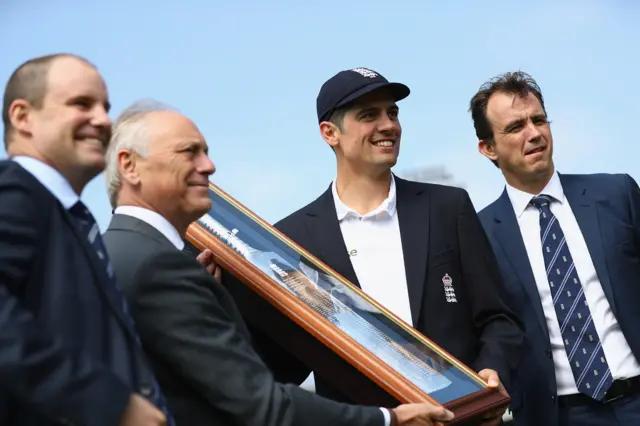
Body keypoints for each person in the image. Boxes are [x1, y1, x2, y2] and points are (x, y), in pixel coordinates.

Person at [101, 99, 455, 426]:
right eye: (189, 153)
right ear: (130, 166)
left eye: (205, 152)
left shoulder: (117, 254)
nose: (208, 166)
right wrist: (389, 420)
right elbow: (260, 402)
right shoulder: (159, 267)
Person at [241, 67, 524, 425]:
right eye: (368, 115)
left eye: (392, 112)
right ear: (330, 133)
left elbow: (499, 318)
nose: (388, 124)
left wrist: (492, 371)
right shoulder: (292, 239)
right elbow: (286, 360)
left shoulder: (447, 208)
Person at [0, 54, 170, 426]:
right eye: (81, 104)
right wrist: (111, 403)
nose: (103, 120)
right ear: (22, 117)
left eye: (105, 107)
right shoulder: (13, 193)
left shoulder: (71, 221)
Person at [471, 71, 640, 426]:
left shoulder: (617, 194)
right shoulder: (478, 234)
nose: (533, 134)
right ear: (488, 148)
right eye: (515, 127)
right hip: (557, 415)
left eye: (539, 120)